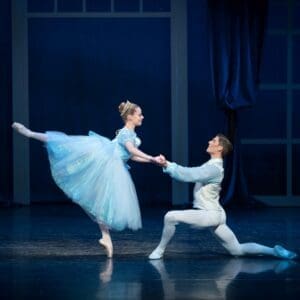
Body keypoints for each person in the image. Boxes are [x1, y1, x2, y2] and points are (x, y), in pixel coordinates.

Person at [12, 100, 161, 258]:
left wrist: (154, 162)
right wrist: (152, 158)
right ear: (130, 117)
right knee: (66, 143)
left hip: (114, 165)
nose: (142, 117)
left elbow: (131, 156)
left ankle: (106, 237)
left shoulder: (131, 134)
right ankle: (30, 133)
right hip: (105, 162)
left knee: (101, 202)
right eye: (139, 114)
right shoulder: (126, 133)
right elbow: (131, 150)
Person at [149, 134, 297, 260]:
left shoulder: (214, 168)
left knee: (170, 216)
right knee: (237, 250)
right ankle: (274, 251)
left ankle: (160, 250)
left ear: (220, 148)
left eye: (213, 141)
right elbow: (193, 173)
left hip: (209, 214)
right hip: (217, 214)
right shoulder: (213, 165)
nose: (209, 142)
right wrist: (167, 165)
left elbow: (189, 174)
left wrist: (167, 164)